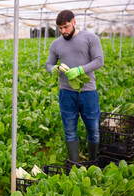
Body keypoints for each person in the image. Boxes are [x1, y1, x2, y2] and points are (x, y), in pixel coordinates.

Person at [45, 10, 104, 162]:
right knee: (70, 130)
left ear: (74, 22)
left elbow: (99, 61)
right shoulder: (56, 44)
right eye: (60, 28)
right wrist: (53, 69)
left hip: (88, 91)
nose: (63, 31)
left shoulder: (90, 38)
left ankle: (93, 162)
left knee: (93, 129)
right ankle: (74, 165)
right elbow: (49, 63)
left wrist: (79, 70)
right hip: (66, 92)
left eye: (66, 27)